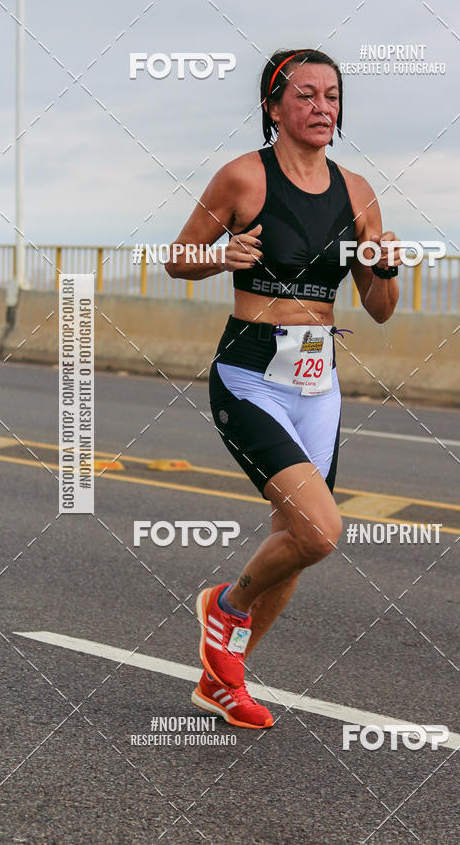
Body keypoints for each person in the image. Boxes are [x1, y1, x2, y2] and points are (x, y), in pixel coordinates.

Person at [166, 48, 401, 729]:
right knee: (321, 530)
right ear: (274, 106)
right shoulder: (243, 176)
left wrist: (385, 269)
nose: (322, 107)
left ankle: (222, 680)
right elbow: (179, 257)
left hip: (317, 379)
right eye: (305, 95)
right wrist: (219, 257)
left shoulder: (358, 191)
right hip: (250, 375)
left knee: (294, 537)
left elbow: (380, 307)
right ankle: (227, 608)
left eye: (332, 95)